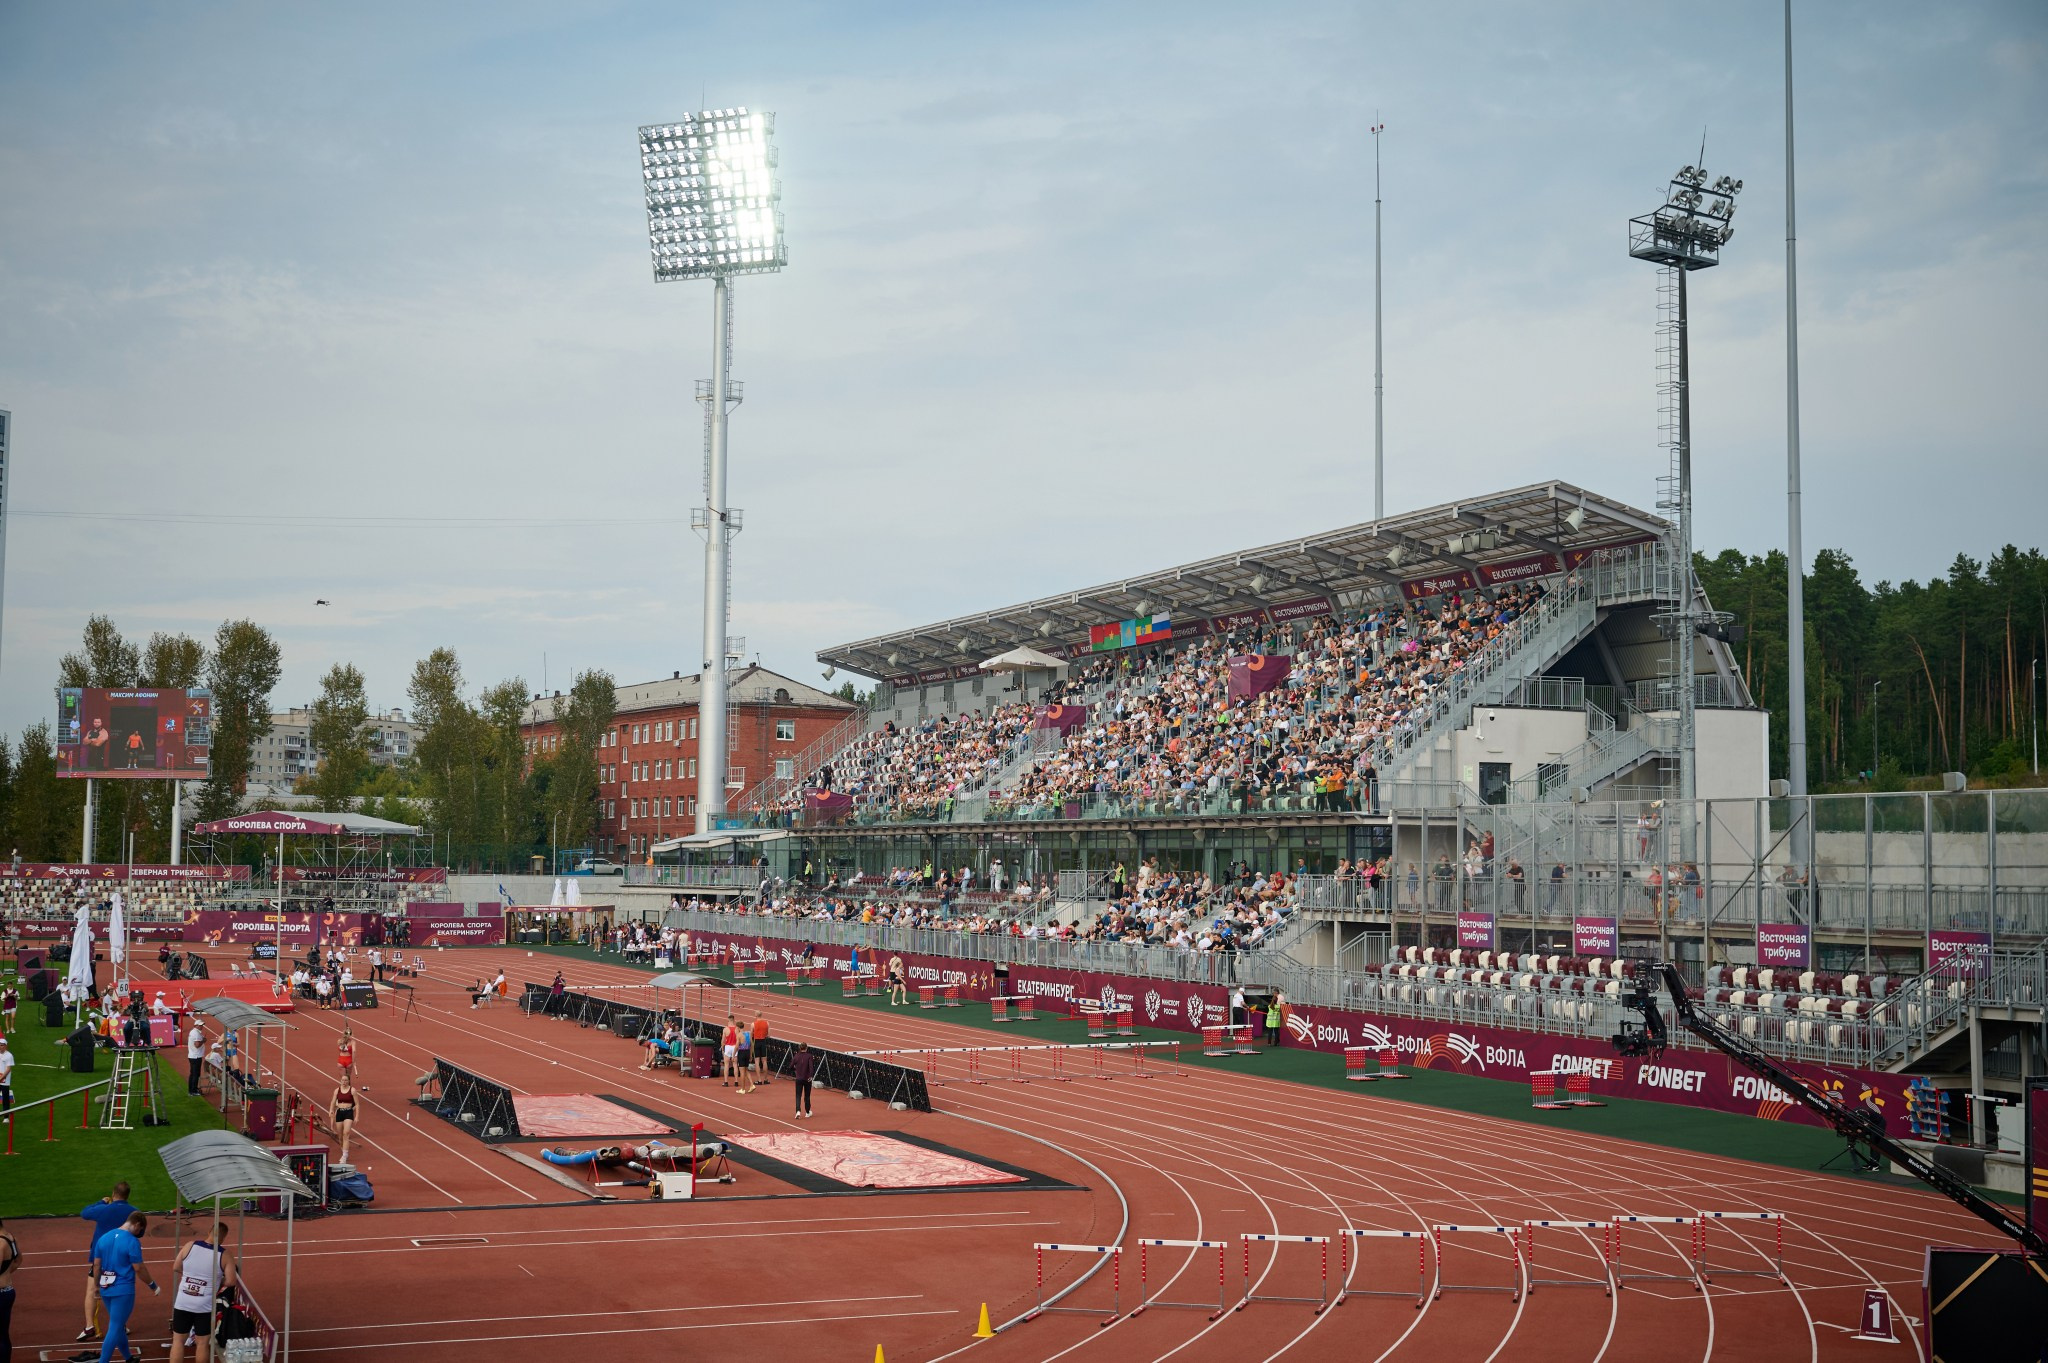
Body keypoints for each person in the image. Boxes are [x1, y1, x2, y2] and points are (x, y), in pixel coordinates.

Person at [89, 1210, 157, 1363]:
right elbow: (139, 1268)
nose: (138, 1233)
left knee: (117, 1325)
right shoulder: (132, 1242)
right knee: (115, 1326)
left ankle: (128, 1358)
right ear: (137, 1224)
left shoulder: (103, 1238)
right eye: (139, 1230)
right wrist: (152, 1285)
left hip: (106, 1288)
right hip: (123, 1290)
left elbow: (96, 1266)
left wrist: (96, 1287)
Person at [167, 1221, 233, 1363]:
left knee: (178, 1341)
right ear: (223, 1237)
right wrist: (218, 1282)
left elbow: (176, 1267)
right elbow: (231, 1281)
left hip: (183, 1302)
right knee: (202, 1343)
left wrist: (192, 1276)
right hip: (204, 1305)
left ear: (209, 1231)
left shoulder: (190, 1245)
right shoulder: (225, 1254)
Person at [78, 1183, 136, 1345]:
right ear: (127, 1195)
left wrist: (102, 1202)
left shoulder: (104, 1209)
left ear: (113, 1193)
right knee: (118, 1291)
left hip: (102, 1257)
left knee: (91, 1290)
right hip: (122, 1258)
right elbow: (140, 1232)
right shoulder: (133, 1212)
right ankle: (121, 1325)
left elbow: (84, 1213)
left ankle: (90, 1326)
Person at [1, 1213, 19, 1363]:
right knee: (3, 1334)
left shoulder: (0, 1243)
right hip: (8, 1290)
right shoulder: (9, 1237)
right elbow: (18, 1260)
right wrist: (6, 1273)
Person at [330, 1077, 358, 1165]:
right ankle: (343, 1150)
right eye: (342, 1080)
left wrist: (357, 1116)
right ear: (340, 1081)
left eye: (346, 1080)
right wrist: (331, 1110)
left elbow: (357, 1104)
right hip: (339, 1113)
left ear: (349, 1081)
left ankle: (344, 1156)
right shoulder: (336, 1090)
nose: (344, 1082)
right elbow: (333, 1102)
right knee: (340, 1136)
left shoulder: (352, 1090)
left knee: (346, 1133)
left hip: (349, 1112)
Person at [791, 1041, 815, 1119]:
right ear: (806, 1048)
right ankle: (807, 1112)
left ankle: (798, 1111)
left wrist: (796, 1069)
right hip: (807, 1078)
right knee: (807, 1096)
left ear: (800, 1048)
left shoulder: (796, 1056)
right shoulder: (809, 1056)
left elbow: (790, 1066)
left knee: (798, 1095)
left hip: (798, 1078)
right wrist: (811, 1076)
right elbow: (811, 1067)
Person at [184, 1018, 206, 1097]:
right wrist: (203, 1041)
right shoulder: (196, 1033)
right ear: (195, 1026)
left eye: (202, 1025)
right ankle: (192, 1090)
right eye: (200, 1025)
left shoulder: (194, 1032)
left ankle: (193, 1089)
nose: (201, 1027)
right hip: (196, 1056)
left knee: (194, 1074)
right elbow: (197, 1045)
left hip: (194, 1055)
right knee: (195, 1074)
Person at [719, 1017, 741, 1088]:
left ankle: (726, 1081)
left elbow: (723, 1040)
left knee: (726, 1065)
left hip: (728, 1047)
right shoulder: (737, 1029)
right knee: (735, 1065)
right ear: (734, 1020)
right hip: (734, 1047)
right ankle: (736, 1081)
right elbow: (739, 1040)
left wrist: (722, 1048)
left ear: (728, 1020)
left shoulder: (725, 1029)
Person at [749, 1012, 770, 1085]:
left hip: (756, 1042)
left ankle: (759, 1080)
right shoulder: (767, 1023)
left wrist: (751, 1044)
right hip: (763, 1041)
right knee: (764, 1061)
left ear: (756, 1015)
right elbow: (768, 1035)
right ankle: (766, 1079)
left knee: (757, 1061)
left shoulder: (753, 1024)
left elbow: (751, 1035)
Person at [0, 1038, 12, 1114]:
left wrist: (1, 1078)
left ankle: (6, 1116)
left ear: (5, 1046)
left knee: (5, 1098)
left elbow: (8, 1069)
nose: (0, 1046)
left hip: (5, 1080)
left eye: (2, 1045)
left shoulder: (9, 1056)